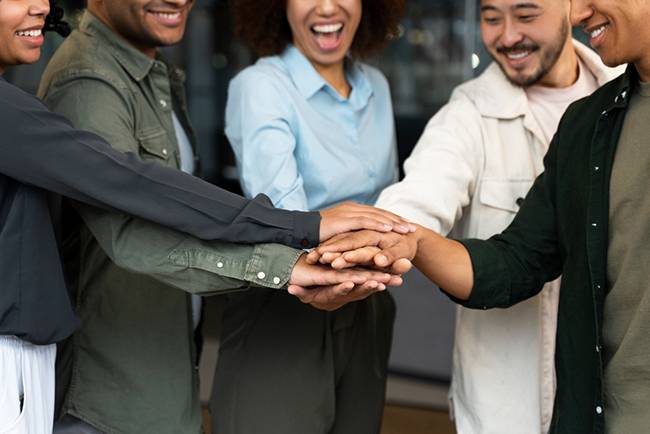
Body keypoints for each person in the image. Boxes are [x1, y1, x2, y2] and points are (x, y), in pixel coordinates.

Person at [0, 1, 410, 433]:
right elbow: (131, 204)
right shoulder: (88, 80)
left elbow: (159, 197)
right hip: (111, 396)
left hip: (158, 376)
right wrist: (296, 237)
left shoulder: (151, 71)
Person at [310, 0, 650, 432]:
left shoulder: (602, 98)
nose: (507, 35)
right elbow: (512, 253)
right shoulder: (575, 122)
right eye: (491, 18)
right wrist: (393, 238)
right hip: (538, 411)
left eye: (526, 15)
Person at [211, 0, 406, 433]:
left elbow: (389, 204)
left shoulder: (375, 86)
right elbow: (286, 215)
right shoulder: (261, 86)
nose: (327, 7)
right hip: (285, 300)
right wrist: (367, 243)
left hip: (368, 302)